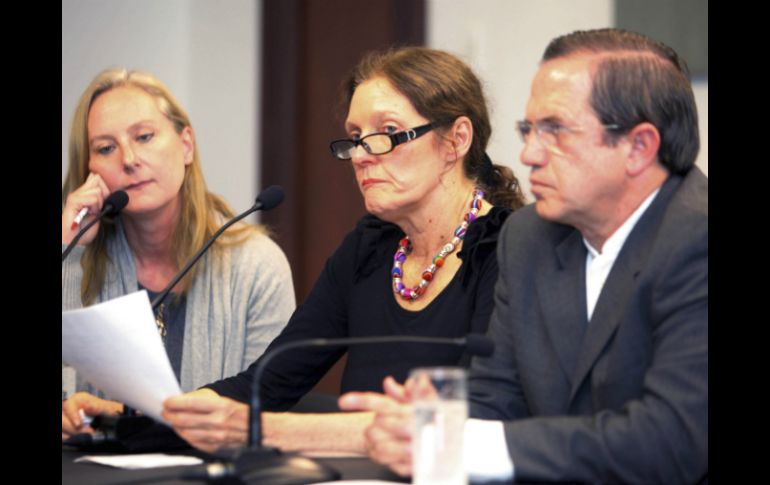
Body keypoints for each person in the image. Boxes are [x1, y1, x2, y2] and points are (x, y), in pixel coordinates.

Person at [340, 28, 708, 484]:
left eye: (555, 131)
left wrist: (469, 445)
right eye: (528, 129)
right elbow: (499, 395)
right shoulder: (529, 236)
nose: (529, 154)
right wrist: (427, 423)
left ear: (638, 147)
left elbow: (671, 441)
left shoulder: (697, 241)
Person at [161, 46, 526, 453]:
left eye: (386, 133)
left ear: (456, 140)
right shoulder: (367, 248)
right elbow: (268, 383)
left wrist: (265, 429)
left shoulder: (509, 250)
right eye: (355, 138)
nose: (362, 156)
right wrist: (125, 418)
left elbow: (469, 418)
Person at [61, 69, 296, 440]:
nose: (129, 158)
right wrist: (69, 250)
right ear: (90, 171)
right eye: (106, 148)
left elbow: (266, 413)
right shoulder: (79, 258)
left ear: (186, 144)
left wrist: (132, 419)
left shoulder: (258, 266)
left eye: (144, 136)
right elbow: (68, 394)